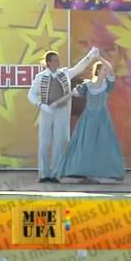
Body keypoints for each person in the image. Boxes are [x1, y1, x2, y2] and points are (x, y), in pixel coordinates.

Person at [28, 46, 99, 183]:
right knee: (44, 143)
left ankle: (56, 174)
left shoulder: (65, 74)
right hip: (47, 111)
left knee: (60, 143)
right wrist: (40, 104)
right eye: (55, 60)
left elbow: (79, 67)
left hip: (62, 111)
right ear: (48, 62)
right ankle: (43, 174)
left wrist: (90, 55)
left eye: (58, 59)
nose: (58, 62)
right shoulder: (40, 77)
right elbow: (31, 94)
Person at [52, 58, 125, 183]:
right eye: (104, 70)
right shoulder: (87, 85)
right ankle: (80, 172)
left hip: (102, 119)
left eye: (106, 71)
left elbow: (111, 70)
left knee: (103, 145)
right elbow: (71, 94)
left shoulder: (107, 85)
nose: (106, 72)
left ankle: (102, 173)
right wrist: (57, 103)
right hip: (88, 119)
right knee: (85, 145)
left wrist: (99, 57)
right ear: (98, 71)